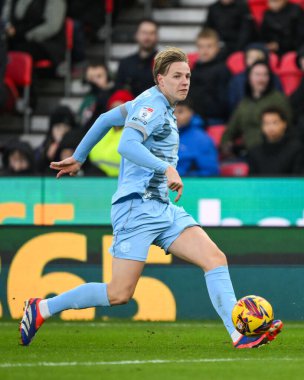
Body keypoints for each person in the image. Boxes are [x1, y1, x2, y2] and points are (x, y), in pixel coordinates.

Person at [19, 47, 283, 348]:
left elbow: (106, 118)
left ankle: (238, 334)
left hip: (161, 206)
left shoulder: (154, 103)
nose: (185, 82)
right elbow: (127, 145)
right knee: (118, 294)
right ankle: (42, 308)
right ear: (160, 79)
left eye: (187, 76)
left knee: (214, 258)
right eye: (177, 76)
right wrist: (166, 167)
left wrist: (79, 157)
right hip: (136, 207)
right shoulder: (151, 105)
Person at [221, 60, 292, 158]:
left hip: (274, 153)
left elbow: (289, 127)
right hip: (248, 154)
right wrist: (226, 145)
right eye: (257, 75)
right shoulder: (244, 103)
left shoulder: (278, 99)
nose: (261, 79)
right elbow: (231, 130)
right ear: (249, 77)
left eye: (265, 75)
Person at [188, 28, 231, 126]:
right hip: (195, 116)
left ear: (217, 48)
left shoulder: (223, 69)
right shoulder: (194, 70)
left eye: (209, 46)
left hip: (214, 120)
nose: (205, 50)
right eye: (201, 47)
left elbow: (224, 102)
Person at [4, 0, 66, 67]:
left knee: (19, 49)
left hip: (46, 44)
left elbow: (52, 27)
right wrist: (7, 27)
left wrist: (27, 35)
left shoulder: (55, 2)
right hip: (17, 38)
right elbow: (6, 17)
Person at [88, 89, 134, 177]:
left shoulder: (136, 133)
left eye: (120, 110)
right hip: (97, 179)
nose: (117, 114)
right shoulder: (102, 129)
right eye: (113, 109)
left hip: (125, 180)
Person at [247, 107, 304, 175]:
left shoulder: (296, 149)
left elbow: (298, 179)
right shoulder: (255, 152)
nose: (270, 127)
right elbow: (252, 182)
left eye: (275, 122)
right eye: (266, 123)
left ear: (284, 124)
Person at [228, 43, 282, 113]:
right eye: (250, 57)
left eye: (258, 57)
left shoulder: (273, 78)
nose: (254, 60)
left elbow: (279, 101)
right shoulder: (237, 79)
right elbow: (232, 104)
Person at [174, 99, 219, 176]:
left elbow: (211, 172)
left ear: (191, 113)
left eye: (180, 112)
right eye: (171, 112)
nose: (175, 116)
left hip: (187, 184)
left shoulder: (201, 139)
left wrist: (183, 176)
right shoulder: (156, 134)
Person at [115, 18, 158, 97]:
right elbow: (118, 91)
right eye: (144, 33)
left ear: (157, 37)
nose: (147, 37)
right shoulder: (125, 63)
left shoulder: (165, 63)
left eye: (152, 33)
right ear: (136, 35)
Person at [78, 62, 113, 130]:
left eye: (99, 76)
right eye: (91, 78)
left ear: (108, 77)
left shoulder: (116, 95)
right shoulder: (88, 99)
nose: (95, 80)